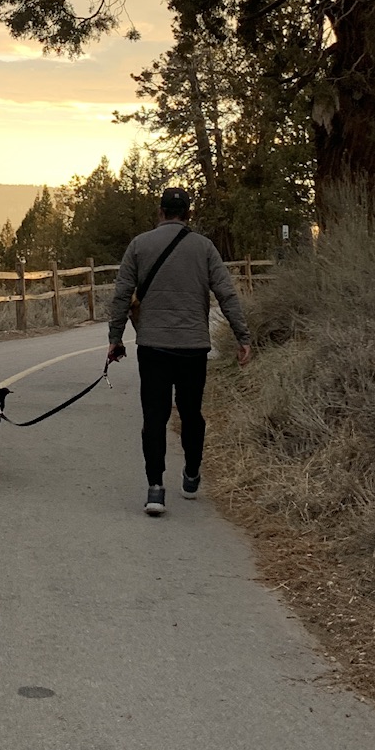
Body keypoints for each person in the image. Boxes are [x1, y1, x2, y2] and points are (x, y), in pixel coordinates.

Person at [106, 187, 253, 516]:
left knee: (155, 416)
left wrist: (115, 339)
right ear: (188, 214)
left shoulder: (139, 245)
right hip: (193, 347)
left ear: (160, 212)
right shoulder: (205, 248)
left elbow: (121, 296)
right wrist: (243, 336)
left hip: (153, 346)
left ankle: (155, 489)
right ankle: (191, 473)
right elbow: (227, 294)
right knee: (190, 413)